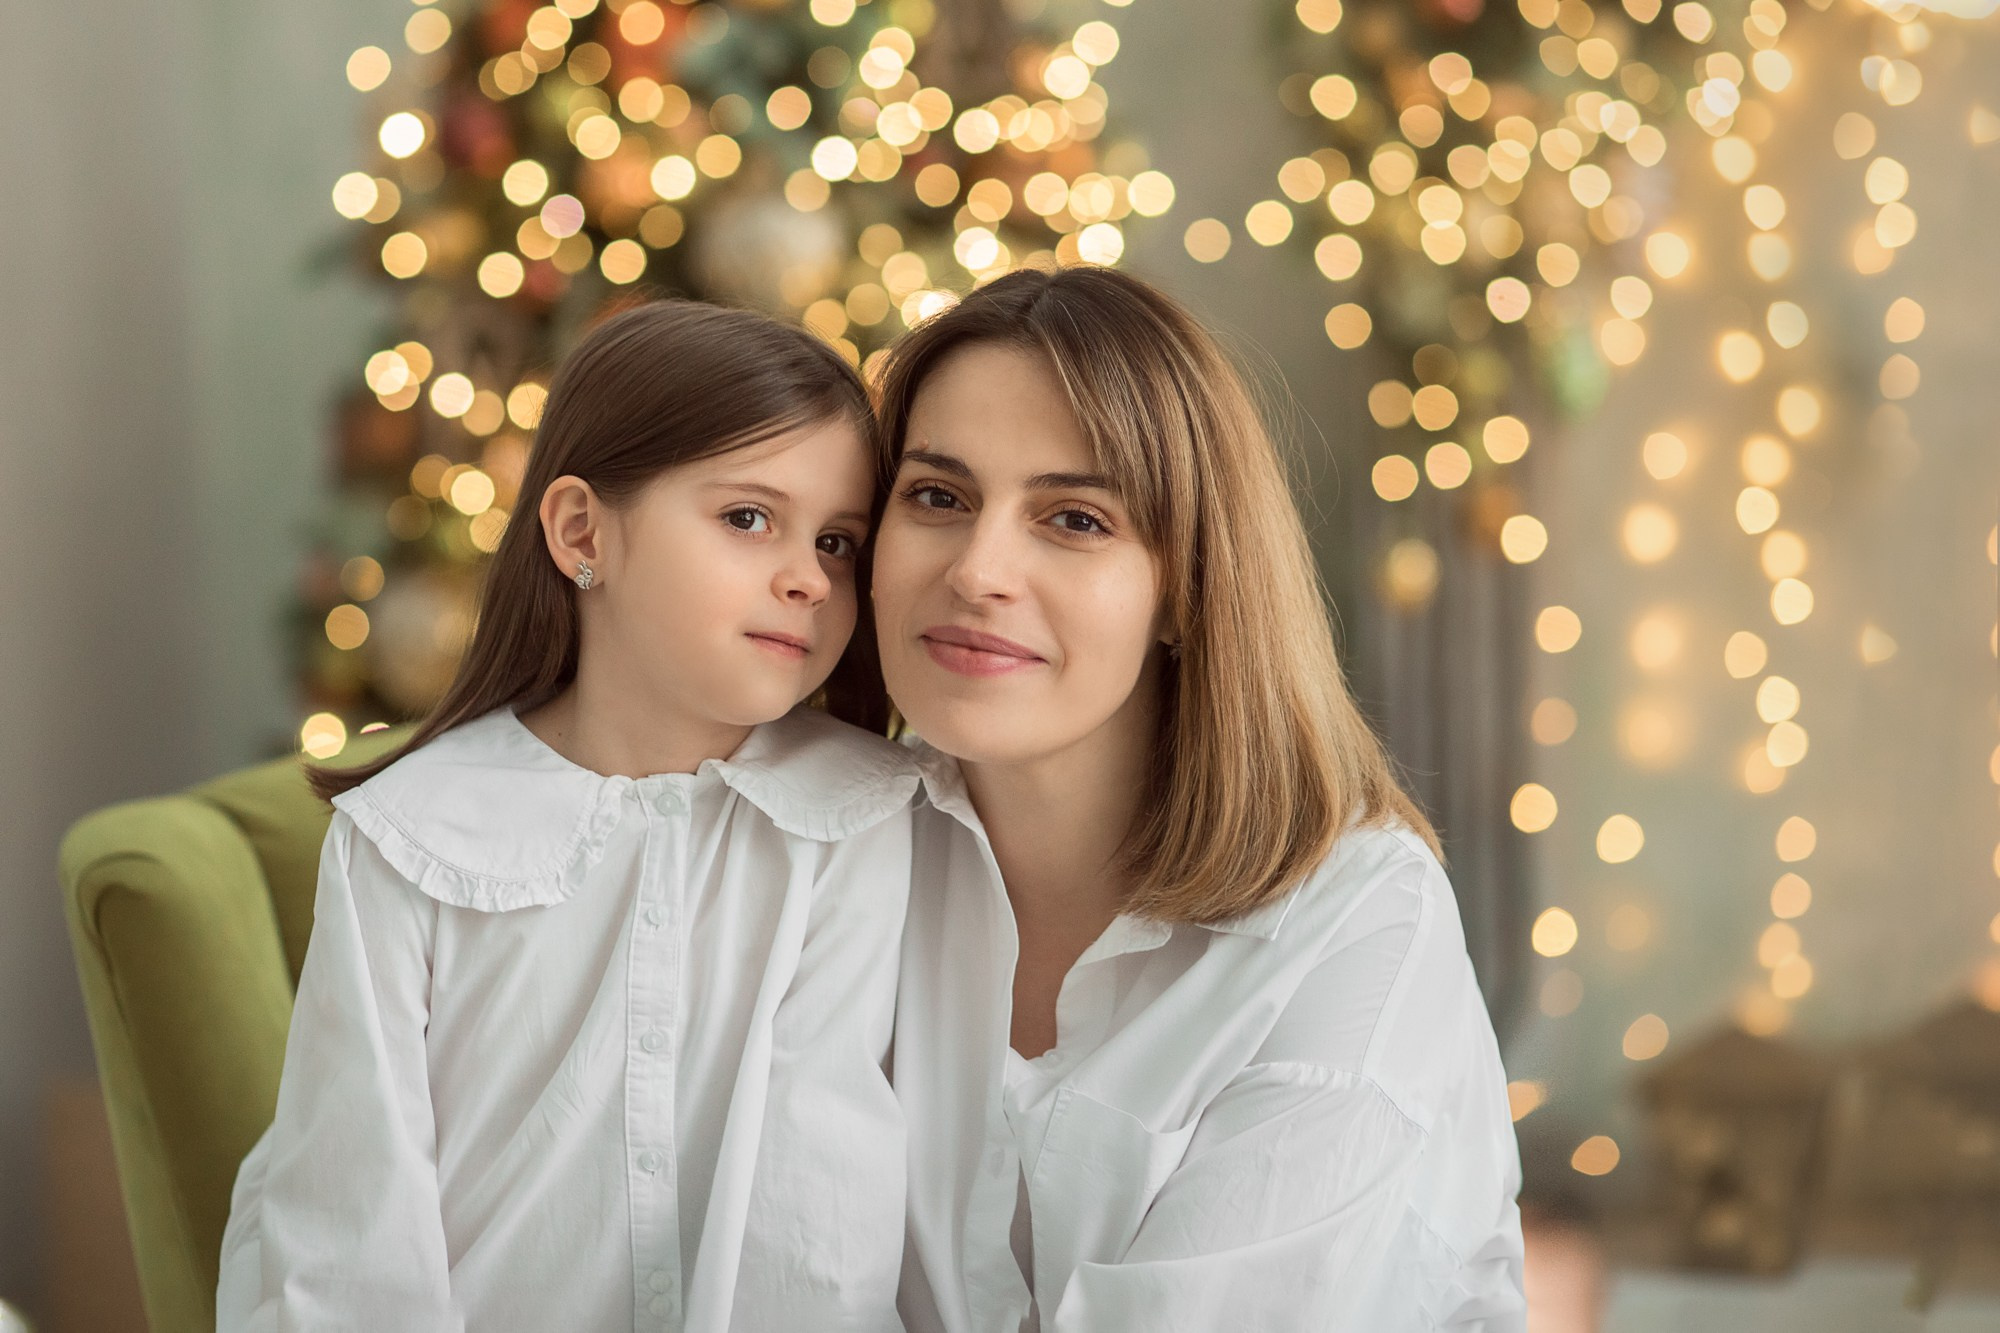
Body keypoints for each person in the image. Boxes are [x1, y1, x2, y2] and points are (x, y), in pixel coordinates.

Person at [217, 301, 917, 1332]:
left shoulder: (865, 822)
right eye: (747, 517)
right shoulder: (407, 838)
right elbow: (353, 1217)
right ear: (583, 531)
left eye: (840, 541)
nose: (807, 576)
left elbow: (819, 1226)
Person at [874, 266, 1525, 1332]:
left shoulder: (1354, 921)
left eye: (1074, 518)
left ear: (1183, 587)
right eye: (937, 497)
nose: (978, 569)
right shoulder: (820, 853)